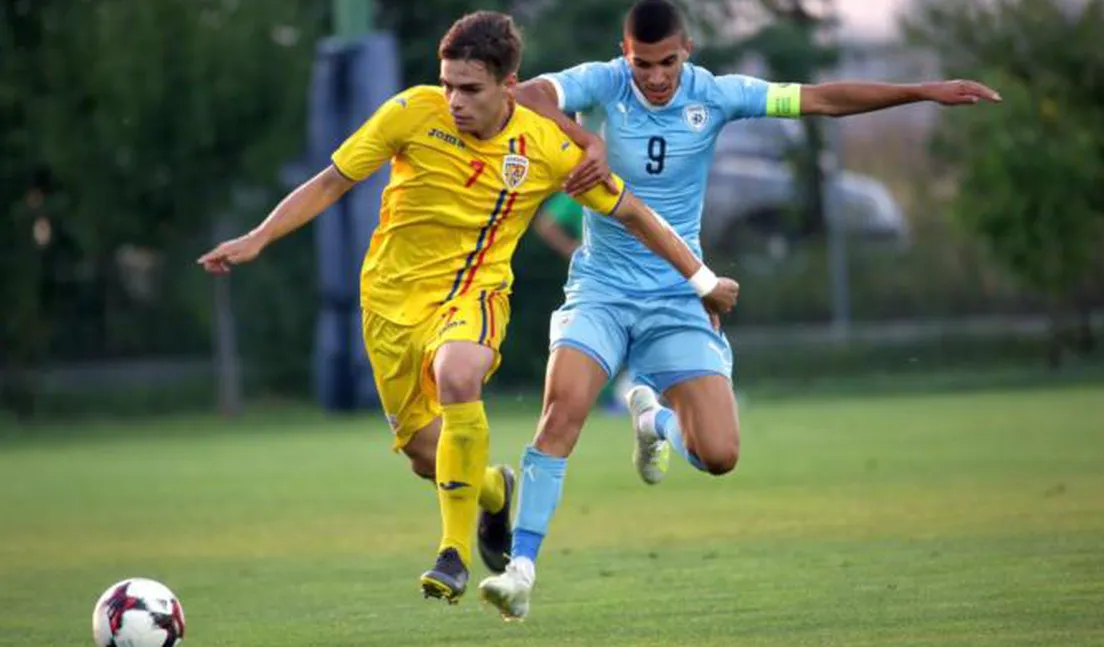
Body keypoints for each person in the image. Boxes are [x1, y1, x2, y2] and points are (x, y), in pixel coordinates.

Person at [478, 0, 1001, 620]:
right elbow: (532, 94)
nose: (654, 76)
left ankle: (654, 424)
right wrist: (584, 135)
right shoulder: (601, 82)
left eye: (666, 61)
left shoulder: (718, 95)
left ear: (687, 51)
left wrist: (921, 90)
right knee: (563, 412)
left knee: (720, 455)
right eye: (642, 63)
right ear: (626, 54)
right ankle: (521, 570)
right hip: (602, 291)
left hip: (679, 293)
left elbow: (822, 99)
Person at [197, 9, 738, 605]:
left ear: (510, 87)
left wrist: (701, 279)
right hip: (389, 303)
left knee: (459, 373)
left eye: (470, 89)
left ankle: (451, 554)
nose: (454, 99)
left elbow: (634, 213)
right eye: (448, 84)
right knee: (425, 457)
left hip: (475, 295)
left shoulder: (543, 148)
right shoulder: (410, 112)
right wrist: (257, 238)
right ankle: (492, 492)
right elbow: (331, 181)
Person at [534, 191, 636, 415]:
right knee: (600, 338)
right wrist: (573, 250)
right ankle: (611, 398)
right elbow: (546, 223)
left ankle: (633, 394)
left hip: (636, 276)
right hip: (599, 281)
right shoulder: (590, 184)